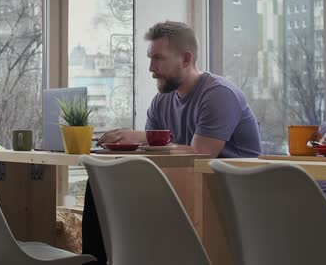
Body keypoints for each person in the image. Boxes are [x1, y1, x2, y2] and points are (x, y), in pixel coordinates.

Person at [81, 21, 262, 265]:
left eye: (158, 59)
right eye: (150, 58)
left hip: (231, 197)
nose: (151, 68)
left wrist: (142, 137)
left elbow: (203, 153)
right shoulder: (161, 102)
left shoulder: (218, 94)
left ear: (186, 59)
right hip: (187, 188)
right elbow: (152, 157)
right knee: (99, 181)